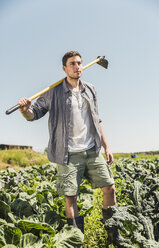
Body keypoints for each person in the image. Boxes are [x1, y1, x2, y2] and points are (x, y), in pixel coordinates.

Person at [18, 51, 121, 244]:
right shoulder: (53, 91)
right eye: (72, 64)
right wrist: (25, 110)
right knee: (71, 198)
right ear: (64, 68)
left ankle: (112, 234)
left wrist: (106, 146)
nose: (77, 66)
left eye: (79, 63)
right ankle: (75, 241)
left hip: (92, 149)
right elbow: (35, 113)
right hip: (68, 154)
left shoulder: (90, 89)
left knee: (110, 188)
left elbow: (97, 119)